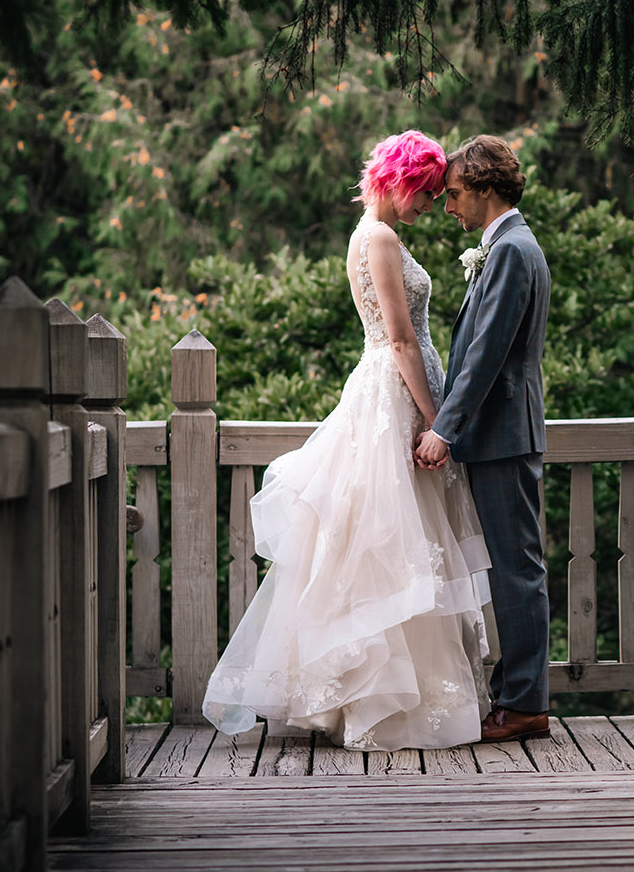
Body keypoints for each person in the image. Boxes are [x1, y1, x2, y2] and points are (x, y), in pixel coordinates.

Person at [201, 131, 493, 750]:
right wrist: (435, 417)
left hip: (389, 391)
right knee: (388, 540)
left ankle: (364, 695)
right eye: (424, 193)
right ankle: (376, 701)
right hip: (393, 394)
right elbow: (400, 340)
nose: (428, 206)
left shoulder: (369, 234)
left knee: (385, 540)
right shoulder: (380, 237)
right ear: (400, 180)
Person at [414, 135, 552, 744]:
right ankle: (517, 696)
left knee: (516, 570)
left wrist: (445, 427)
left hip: (501, 435)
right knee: (510, 566)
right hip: (499, 434)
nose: (448, 208)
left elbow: (487, 353)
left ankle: (523, 705)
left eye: (454, 195)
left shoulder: (511, 252)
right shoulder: (506, 248)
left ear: (485, 188)